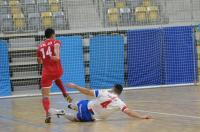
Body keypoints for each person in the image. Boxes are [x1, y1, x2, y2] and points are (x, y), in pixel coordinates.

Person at [51, 83, 152, 122]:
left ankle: (72, 105)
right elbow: (128, 112)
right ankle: (62, 112)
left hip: (85, 104)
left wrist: (75, 86)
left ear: (113, 89)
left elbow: (86, 91)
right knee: (75, 119)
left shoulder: (103, 92)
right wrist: (142, 116)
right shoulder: (120, 103)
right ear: (120, 93)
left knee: (83, 102)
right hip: (89, 116)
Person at [37, 28, 72, 123]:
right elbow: (57, 57)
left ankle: (47, 113)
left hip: (47, 73)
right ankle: (65, 93)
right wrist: (53, 57)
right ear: (53, 35)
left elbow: (39, 61)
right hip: (58, 70)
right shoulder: (56, 42)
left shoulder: (40, 47)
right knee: (56, 77)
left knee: (45, 96)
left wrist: (46, 59)